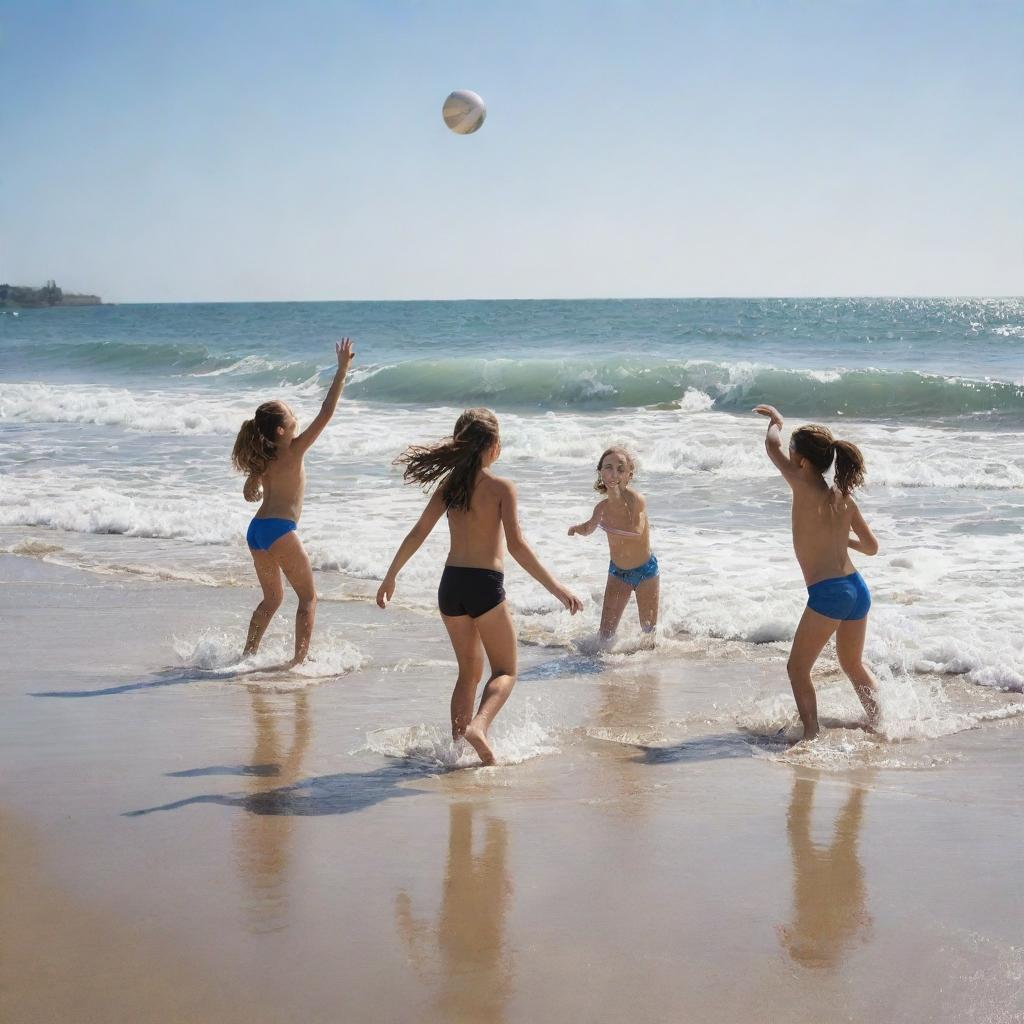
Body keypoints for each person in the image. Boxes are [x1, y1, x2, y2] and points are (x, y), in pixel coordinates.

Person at [376, 408, 582, 765]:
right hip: (484, 585)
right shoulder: (502, 488)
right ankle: (479, 728)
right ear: (493, 446)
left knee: (468, 672)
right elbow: (517, 546)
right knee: (505, 671)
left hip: (450, 585)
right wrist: (558, 588)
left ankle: (459, 752)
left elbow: (418, 532)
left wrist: (391, 575)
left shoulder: (449, 487)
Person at [754, 404, 880, 741]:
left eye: (793, 451)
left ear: (803, 462)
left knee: (797, 669)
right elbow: (871, 547)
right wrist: (842, 540)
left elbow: (771, 446)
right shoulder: (843, 498)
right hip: (856, 589)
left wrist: (776, 422)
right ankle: (883, 722)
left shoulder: (800, 481)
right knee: (853, 664)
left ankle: (810, 734)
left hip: (830, 593)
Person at [231, 339, 355, 665]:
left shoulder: (264, 456)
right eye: (292, 416)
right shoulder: (294, 449)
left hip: (257, 531)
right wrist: (342, 371)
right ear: (283, 429)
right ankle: (299, 664)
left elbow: (250, 490)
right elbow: (327, 412)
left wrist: (253, 486)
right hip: (280, 530)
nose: (297, 418)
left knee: (271, 599)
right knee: (309, 598)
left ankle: (248, 655)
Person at [568, 446, 658, 640]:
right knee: (604, 637)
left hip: (646, 572)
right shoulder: (601, 508)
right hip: (618, 573)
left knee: (649, 634)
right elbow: (589, 527)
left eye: (620, 468)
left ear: (629, 475)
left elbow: (636, 530)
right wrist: (577, 528)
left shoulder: (636, 500)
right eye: (608, 467)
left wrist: (609, 528)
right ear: (600, 472)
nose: (614, 473)